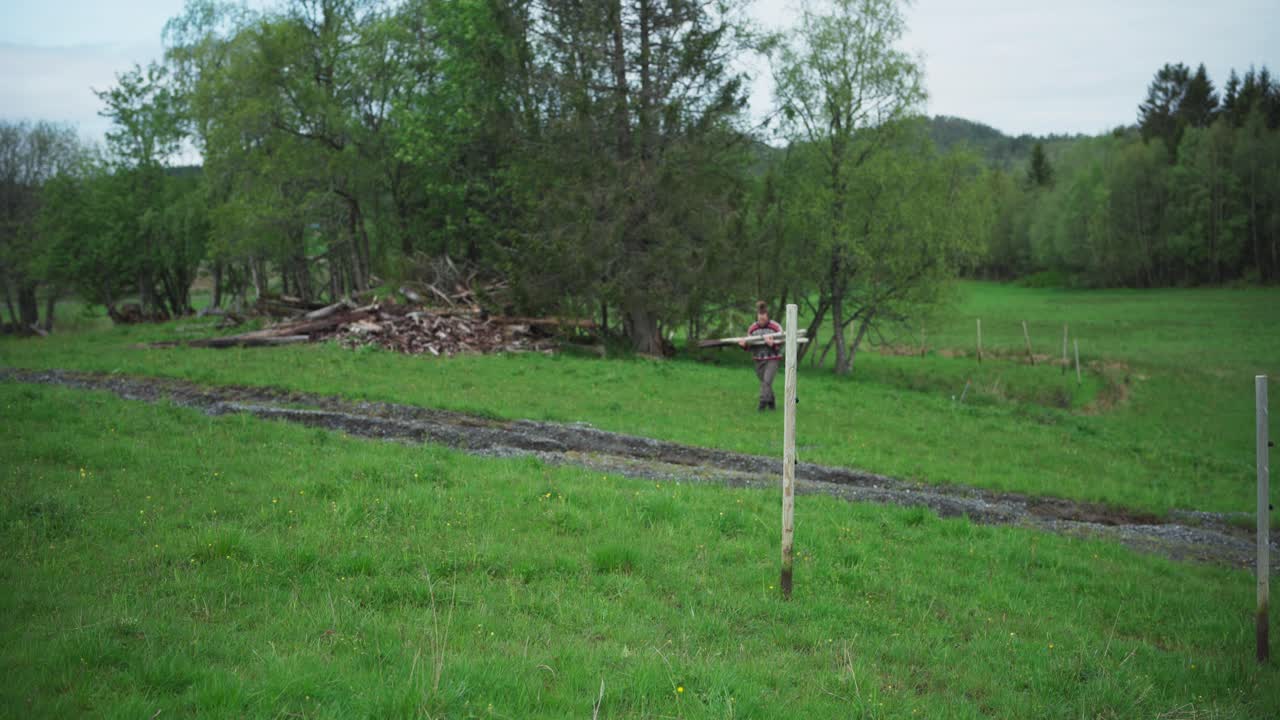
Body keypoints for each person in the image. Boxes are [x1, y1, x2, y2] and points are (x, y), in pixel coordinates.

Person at [739, 301, 782, 411]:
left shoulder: (776, 327)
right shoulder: (752, 328)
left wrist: (772, 344)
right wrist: (744, 345)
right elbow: (749, 347)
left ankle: (762, 403)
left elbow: (782, 344)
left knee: (767, 381)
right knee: (765, 383)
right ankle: (771, 401)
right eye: (759, 315)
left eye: (763, 315)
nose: (761, 318)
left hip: (772, 359)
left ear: (767, 316)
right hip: (758, 359)